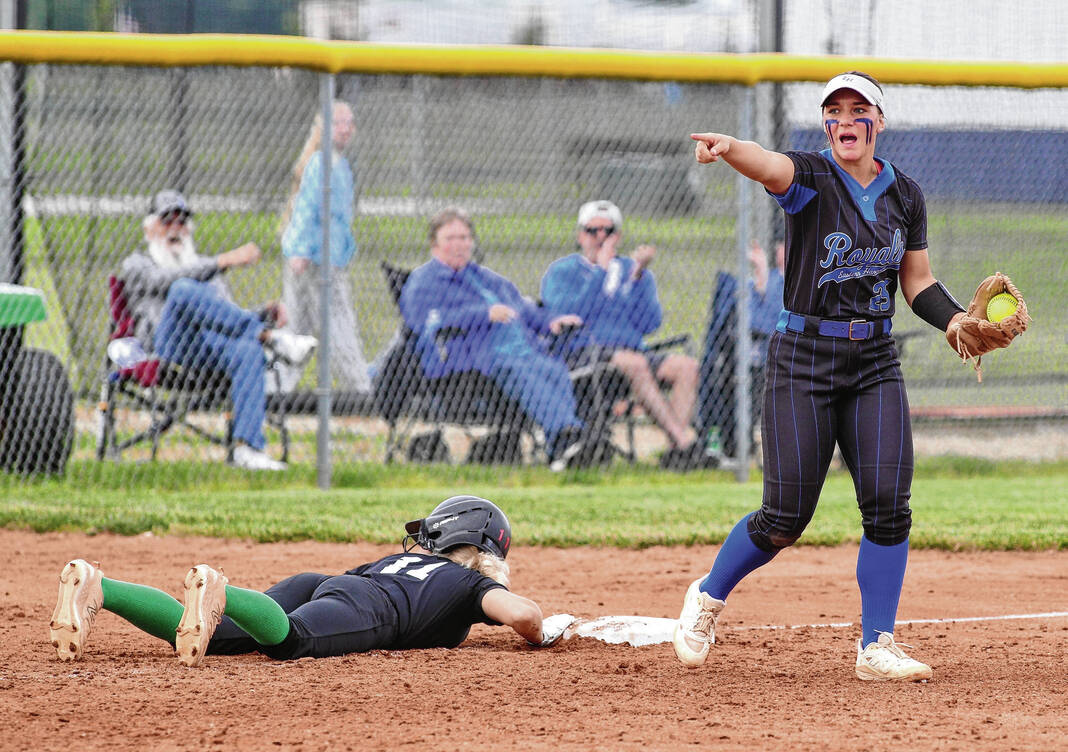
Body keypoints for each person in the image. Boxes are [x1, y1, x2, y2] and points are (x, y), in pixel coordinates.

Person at [674, 71, 983, 681]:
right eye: (834, 111)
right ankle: (707, 597)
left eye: (858, 109)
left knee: (890, 504)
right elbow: (768, 166)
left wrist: (954, 322)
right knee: (785, 516)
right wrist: (730, 147)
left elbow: (916, 281)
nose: (846, 119)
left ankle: (877, 645)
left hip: (873, 361)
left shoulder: (907, 194)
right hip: (803, 360)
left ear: (879, 121)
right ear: (826, 126)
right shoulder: (812, 177)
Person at [48, 496, 576, 666]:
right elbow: (524, 616)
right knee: (290, 641)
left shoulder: (403, 559)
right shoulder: (469, 587)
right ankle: (221, 590)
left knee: (223, 638)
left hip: (326, 582)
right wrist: (544, 633)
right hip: (370, 609)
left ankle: (101, 586)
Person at [121, 189, 317, 471]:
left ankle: (248, 449)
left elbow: (226, 317)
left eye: (181, 222)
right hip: (165, 348)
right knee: (182, 289)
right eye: (167, 221)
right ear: (149, 228)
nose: (175, 229)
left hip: (207, 350)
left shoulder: (206, 271)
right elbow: (166, 281)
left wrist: (263, 314)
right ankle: (272, 339)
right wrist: (222, 262)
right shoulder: (138, 264)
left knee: (247, 348)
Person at [400, 207, 586, 471]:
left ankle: (564, 449)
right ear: (435, 244)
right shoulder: (424, 282)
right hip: (469, 360)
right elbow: (427, 321)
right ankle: (567, 436)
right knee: (520, 370)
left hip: (520, 351)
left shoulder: (484, 278)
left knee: (553, 369)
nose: (460, 244)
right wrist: (483, 314)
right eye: (451, 238)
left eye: (465, 238)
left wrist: (551, 321)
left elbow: (521, 307)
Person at [540, 200, 706, 470]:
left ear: (617, 235)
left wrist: (639, 279)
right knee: (634, 363)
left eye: (608, 230)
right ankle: (685, 443)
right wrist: (600, 273)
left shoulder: (632, 270)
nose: (601, 238)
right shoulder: (563, 271)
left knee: (686, 367)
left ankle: (676, 454)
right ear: (581, 234)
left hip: (632, 352)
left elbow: (650, 323)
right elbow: (571, 315)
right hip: (585, 353)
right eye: (593, 230)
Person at [278, 100, 372, 395]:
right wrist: (301, 252)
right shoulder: (320, 163)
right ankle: (360, 390)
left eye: (349, 123)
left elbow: (340, 218)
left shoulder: (338, 163)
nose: (345, 129)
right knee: (337, 326)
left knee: (299, 331)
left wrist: (344, 252)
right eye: (338, 122)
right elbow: (307, 209)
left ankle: (278, 387)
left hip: (328, 260)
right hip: (313, 261)